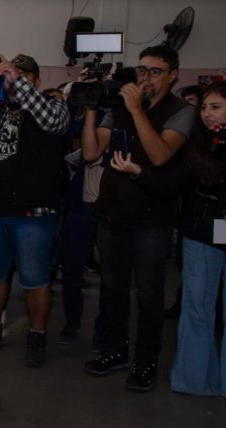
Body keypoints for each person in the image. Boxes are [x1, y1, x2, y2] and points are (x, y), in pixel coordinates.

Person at [81, 45, 196, 392]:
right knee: (113, 289)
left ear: (173, 74)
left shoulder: (182, 111)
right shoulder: (118, 105)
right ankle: (114, 350)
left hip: (152, 219)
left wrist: (135, 109)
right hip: (112, 211)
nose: (145, 78)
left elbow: (160, 155)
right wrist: (90, 110)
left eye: (155, 71)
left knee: (148, 294)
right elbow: (90, 153)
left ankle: (146, 361)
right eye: (142, 70)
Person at [0, 51, 69, 368]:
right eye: (11, 75)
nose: (11, 80)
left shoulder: (54, 107)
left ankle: (36, 337)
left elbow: (51, 121)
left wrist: (17, 82)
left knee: (34, 280)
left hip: (33, 215)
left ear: (34, 80)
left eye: (21, 75)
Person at [170, 81, 226, 397]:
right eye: (204, 107)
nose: (207, 114)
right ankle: (193, 379)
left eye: (215, 107)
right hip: (201, 232)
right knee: (197, 308)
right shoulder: (195, 143)